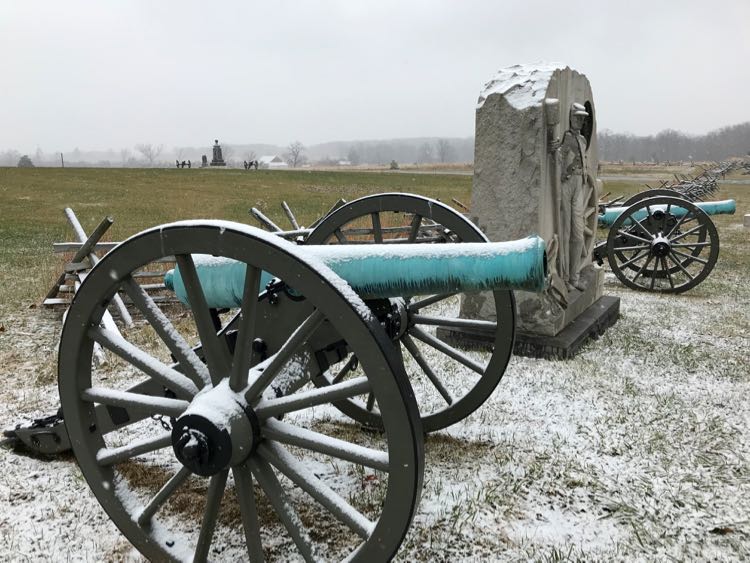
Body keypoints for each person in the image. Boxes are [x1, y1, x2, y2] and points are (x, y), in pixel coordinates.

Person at [558, 102, 589, 291]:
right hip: (566, 183)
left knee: (578, 232)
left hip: (579, 183)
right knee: (565, 231)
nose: (579, 120)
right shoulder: (566, 138)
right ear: (570, 117)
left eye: (582, 118)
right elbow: (558, 154)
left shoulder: (583, 141)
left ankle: (574, 278)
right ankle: (565, 276)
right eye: (577, 117)